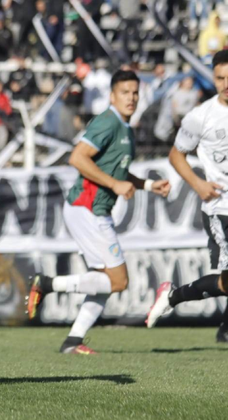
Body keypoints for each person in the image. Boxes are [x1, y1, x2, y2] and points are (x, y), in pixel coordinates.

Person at [26, 70, 171, 355]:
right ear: (112, 96)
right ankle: (47, 283)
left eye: (135, 92)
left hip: (93, 209)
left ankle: (72, 341)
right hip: (87, 208)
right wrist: (115, 185)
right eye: (125, 92)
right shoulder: (108, 122)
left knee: (105, 282)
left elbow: (118, 171)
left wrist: (148, 185)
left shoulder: (125, 128)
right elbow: (77, 157)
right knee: (119, 280)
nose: (131, 98)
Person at [148, 50, 228, 341]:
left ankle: (179, 300)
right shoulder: (200, 117)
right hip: (221, 208)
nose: (226, 84)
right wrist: (198, 184)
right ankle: (174, 297)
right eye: (220, 78)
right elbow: (176, 155)